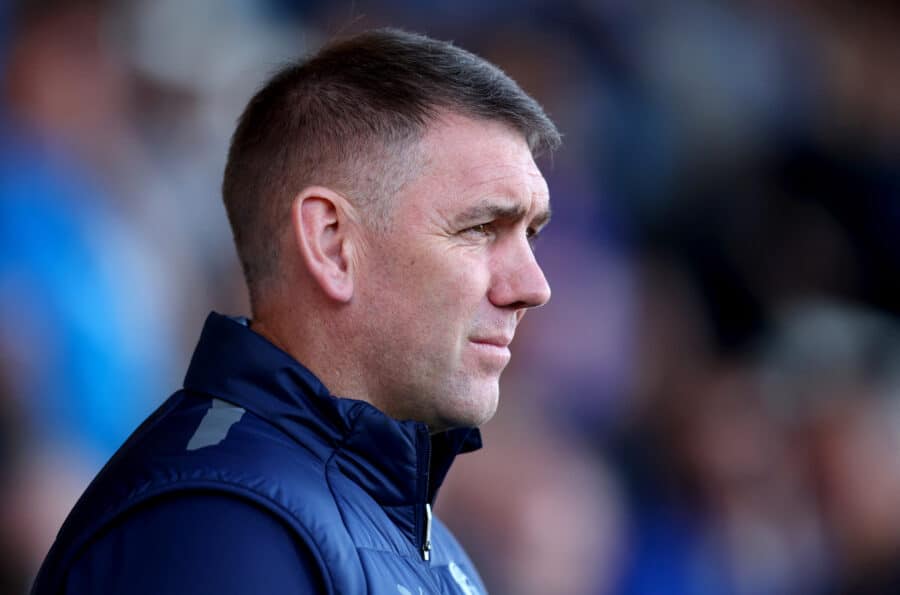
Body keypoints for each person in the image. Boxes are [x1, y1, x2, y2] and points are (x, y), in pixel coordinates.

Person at [31, 28, 559, 594]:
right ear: (332, 242)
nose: (534, 286)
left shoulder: (408, 530)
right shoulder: (220, 528)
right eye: (481, 228)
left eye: (530, 233)